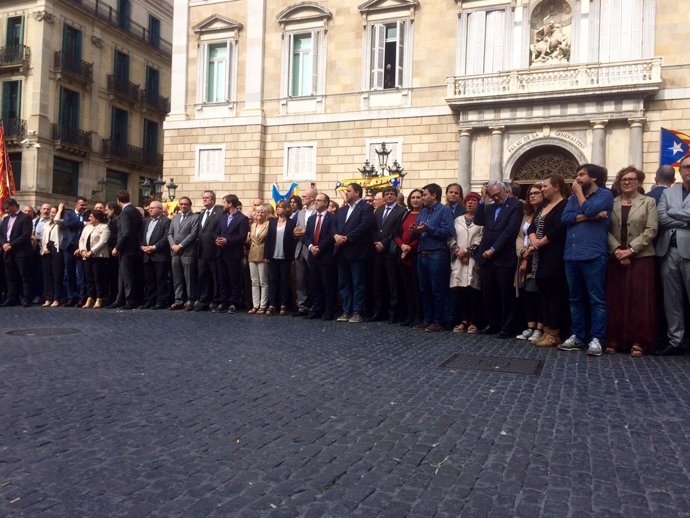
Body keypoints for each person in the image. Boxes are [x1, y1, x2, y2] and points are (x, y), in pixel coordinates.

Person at [559, 164, 614, 356]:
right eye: (577, 175)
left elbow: (590, 209)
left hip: (593, 254)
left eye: (582, 175)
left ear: (594, 178)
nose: (578, 178)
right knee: (575, 299)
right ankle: (578, 336)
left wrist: (582, 202)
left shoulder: (605, 195)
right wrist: (589, 217)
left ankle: (597, 338)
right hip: (571, 255)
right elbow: (565, 218)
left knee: (596, 299)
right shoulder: (573, 198)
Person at [605, 166, 658, 357]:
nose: (627, 182)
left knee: (639, 300)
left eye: (631, 179)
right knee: (615, 299)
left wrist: (631, 250)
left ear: (639, 182)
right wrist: (618, 250)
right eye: (623, 179)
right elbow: (606, 230)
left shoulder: (649, 202)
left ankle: (638, 341)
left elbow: (651, 230)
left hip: (641, 258)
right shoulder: (611, 203)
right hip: (615, 257)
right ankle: (614, 339)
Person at [474, 180, 523, 338]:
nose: (495, 198)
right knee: (488, 293)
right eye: (492, 195)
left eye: (497, 195)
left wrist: (494, 249)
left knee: (505, 294)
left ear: (505, 190)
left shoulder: (515, 205)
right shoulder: (489, 207)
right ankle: (492, 323)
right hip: (486, 258)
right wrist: (483, 200)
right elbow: (478, 220)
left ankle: (507, 326)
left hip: (503, 256)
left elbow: (510, 230)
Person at [527, 175, 570, 347]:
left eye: (545, 186)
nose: (542, 189)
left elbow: (559, 228)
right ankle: (546, 330)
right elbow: (532, 226)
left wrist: (541, 242)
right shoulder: (543, 205)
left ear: (557, 187)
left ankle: (555, 332)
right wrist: (533, 239)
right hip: (538, 256)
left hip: (553, 255)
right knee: (543, 294)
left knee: (554, 295)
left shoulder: (564, 205)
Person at [655, 154, 690, 356]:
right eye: (685, 167)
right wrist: (685, 220)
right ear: (680, 170)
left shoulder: (669, 198)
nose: (688, 170)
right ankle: (675, 340)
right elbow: (661, 218)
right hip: (669, 250)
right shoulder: (669, 193)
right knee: (672, 300)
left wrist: (673, 213)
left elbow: (669, 215)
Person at [412, 183, 454, 332]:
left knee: (437, 289)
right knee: (424, 289)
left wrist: (427, 228)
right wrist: (415, 230)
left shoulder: (445, 211)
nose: (423, 197)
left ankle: (438, 320)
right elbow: (418, 228)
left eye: (424, 195)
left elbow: (447, 231)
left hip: (437, 253)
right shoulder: (423, 211)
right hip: (422, 254)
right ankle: (427, 319)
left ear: (434, 195)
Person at [334, 182, 374, 323]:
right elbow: (335, 224)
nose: (346, 193)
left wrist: (348, 238)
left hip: (357, 251)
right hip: (341, 251)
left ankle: (358, 311)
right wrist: (336, 236)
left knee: (358, 283)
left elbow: (365, 225)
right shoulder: (343, 209)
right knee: (344, 283)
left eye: (349, 191)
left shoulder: (366, 208)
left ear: (357, 193)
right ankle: (346, 310)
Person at [449, 192, 483, 334]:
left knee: (473, 290)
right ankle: (463, 321)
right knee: (460, 291)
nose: (470, 203)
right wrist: (457, 251)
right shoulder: (457, 220)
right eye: (468, 200)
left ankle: (474, 321)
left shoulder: (482, 221)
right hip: (458, 260)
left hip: (472, 260)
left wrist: (468, 252)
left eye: (473, 200)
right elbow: (451, 237)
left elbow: (481, 238)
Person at [371, 186, 406, 323]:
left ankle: (393, 312)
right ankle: (379, 310)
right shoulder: (378, 210)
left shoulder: (401, 211)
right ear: (384, 197)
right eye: (387, 194)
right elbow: (373, 228)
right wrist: (376, 242)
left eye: (392, 194)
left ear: (396, 196)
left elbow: (396, 231)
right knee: (378, 282)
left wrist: (383, 243)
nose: (389, 196)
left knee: (392, 283)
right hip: (377, 251)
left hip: (390, 251)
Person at [515, 184, 545, 343]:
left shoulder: (546, 213)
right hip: (524, 256)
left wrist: (529, 253)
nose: (533, 196)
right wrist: (522, 252)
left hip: (538, 256)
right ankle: (530, 326)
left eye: (537, 193)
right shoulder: (526, 215)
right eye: (530, 193)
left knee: (538, 293)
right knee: (527, 293)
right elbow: (519, 236)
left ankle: (540, 328)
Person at [304, 193, 337, 320]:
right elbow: (307, 236)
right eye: (316, 200)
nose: (316, 202)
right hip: (313, 255)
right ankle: (316, 308)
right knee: (315, 284)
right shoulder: (311, 219)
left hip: (326, 256)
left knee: (327, 284)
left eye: (319, 200)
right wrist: (311, 246)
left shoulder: (332, 218)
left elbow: (331, 235)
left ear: (326, 203)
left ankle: (329, 310)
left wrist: (320, 247)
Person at [109, 190, 143, 310]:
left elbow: (126, 232)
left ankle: (129, 300)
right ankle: (120, 299)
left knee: (127, 276)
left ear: (118, 200)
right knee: (122, 276)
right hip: (134, 248)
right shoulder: (135, 211)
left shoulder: (125, 212)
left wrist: (117, 247)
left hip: (126, 249)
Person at [216, 194, 249, 313]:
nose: (223, 205)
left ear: (230, 204)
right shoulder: (223, 217)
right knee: (222, 279)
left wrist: (227, 241)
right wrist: (217, 239)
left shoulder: (242, 218)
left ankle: (234, 302)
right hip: (221, 252)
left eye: (224, 202)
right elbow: (217, 231)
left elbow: (242, 236)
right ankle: (223, 301)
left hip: (233, 253)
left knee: (234, 280)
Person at [395, 189, 422, 327]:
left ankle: (418, 316)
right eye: (413, 197)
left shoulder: (424, 214)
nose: (415, 200)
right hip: (403, 254)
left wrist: (410, 247)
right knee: (406, 288)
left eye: (418, 197)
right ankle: (409, 315)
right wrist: (402, 246)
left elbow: (421, 235)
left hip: (416, 255)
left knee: (416, 287)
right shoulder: (406, 214)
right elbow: (396, 233)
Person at [167, 196, 199, 311]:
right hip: (174, 252)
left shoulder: (195, 217)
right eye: (181, 204)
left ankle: (190, 300)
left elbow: (193, 234)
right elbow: (169, 233)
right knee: (177, 277)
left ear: (190, 205)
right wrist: (173, 246)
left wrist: (180, 245)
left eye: (186, 204)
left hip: (187, 252)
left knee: (189, 277)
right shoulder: (175, 218)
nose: (183, 206)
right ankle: (178, 300)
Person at [0, 198, 33, 307]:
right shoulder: (5, 219)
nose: (6, 211)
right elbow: (2, 234)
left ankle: (26, 298)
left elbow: (25, 235)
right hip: (8, 252)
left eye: (8, 208)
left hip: (21, 252)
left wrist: (11, 244)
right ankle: (11, 298)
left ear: (14, 206)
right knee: (10, 277)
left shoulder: (25, 218)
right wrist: (4, 243)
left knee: (24, 276)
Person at [264, 200, 296, 316]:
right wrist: (266, 255)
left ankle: (283, 304)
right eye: (277, 207)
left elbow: (293, 241)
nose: (278, 209)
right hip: (273, 255)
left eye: (280, 207)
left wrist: (292, 257)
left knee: (284, 280)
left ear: (286, 209)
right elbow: (268, 239)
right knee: (272, 280)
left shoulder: (292, 222)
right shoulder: (272, 222)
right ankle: (272, 304)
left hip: (285, 255)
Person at [139, 201, 171, 310]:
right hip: (147, 255)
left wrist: (154, 247)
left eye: (153, 208)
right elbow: (142, 235)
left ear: (160, 209)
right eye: (149, 208)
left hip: (160, 255)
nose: (150, 209)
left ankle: (161, 301)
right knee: (149, 280)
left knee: (160, 280)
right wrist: (142, 246)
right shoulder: (147, 221)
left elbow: (166, 237)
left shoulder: (166, 221)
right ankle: (149, 300)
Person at [76, 210, 111, 309]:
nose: (89, 218)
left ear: (97, 218)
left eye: (91, 216)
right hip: (86, 256)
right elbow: (81, 239)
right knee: (89, 278)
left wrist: (91, 251)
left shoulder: (104, 227)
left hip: (98, 256)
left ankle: (100, 298)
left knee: (98, 278)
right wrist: (82, 250)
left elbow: (103, 241)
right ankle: (90, 297)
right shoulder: (87, 227)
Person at [196, 191, 223, 311]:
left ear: (213, 200)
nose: (205, 200)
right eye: (203, 198)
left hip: (214, 250)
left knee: (215, 277)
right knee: (203, 276)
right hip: (201, 251)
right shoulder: (202, 213)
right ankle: (204, 301)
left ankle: (216, 301)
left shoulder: (219, 213)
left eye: (207, 198)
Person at [60, 196, 88, 306]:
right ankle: (71, 297)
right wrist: (83, 223)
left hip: (81, 247)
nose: (84, 207)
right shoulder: (69, 214)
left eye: (85, 205)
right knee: (69, 273)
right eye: (82, 205)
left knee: (81, 274)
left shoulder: (87, 215)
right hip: (69, 247)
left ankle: (82, 297)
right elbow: (68, 225)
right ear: (76, 204)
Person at [292, 188, 316, 316]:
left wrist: (305, 232)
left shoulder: (317, 212)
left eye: (305, 196)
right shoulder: (300, 212)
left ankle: (313, 305)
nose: (302, 198)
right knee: (300, 279)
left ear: (312, 198)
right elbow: (296, 227)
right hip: (299, 248)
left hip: (311, 248)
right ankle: (302, 306)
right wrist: (295, 232)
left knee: (312, 278)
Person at [40, 204, 64, 307]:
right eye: (51, 212)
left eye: (54, 212)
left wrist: (60, 210)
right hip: (46, 250)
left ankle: (56, 298)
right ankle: (48, 297)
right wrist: (44, 247)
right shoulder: (46, 224)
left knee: (56, 275)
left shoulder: (60, 223)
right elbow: (43, 237)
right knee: (47, 275)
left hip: (56, 250)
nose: (52, 214)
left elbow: (58, 220)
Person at [247, 204, 269, 314]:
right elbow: (250, 240)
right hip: (252, 255)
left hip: (263, 254)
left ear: (266, 214)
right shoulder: (252, 225)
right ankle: (255, 305)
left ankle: (263, 305)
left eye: (262, 212)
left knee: (263, 281)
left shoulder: (268, 224)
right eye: (257, 212)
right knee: (254, 281)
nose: (259, 214)